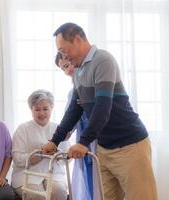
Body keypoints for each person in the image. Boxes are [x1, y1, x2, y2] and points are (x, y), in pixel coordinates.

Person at [42, 23, 157, 200]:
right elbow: (74, 109)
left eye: (64, 51)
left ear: (78, 40)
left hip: (130, 146)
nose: (64, 57)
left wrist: (83, 142)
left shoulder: (103, 60)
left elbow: (103, 107)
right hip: (104, 149)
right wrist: (55, 140)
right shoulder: (79, 71)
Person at [11, 89, 68, 200]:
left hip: (53, 173)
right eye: (37, 109)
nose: (42, 113)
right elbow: (17, 159)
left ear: (52, 108)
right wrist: (41, 153)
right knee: (38, 196)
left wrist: (57, 153)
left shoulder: (59, 129)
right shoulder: (22, 129)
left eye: (45, 109)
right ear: (31, 110)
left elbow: (67, 158)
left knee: (59, 191)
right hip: (27, 174)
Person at [55, 53, 97, 200]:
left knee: (103, 184)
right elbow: (69, 120)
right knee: (89, 180)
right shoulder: (72, 93)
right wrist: (58, 139)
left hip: (99, 139)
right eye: (63, 69)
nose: (67, 71)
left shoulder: (94, 82)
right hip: (83, 143)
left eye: (67, 65)